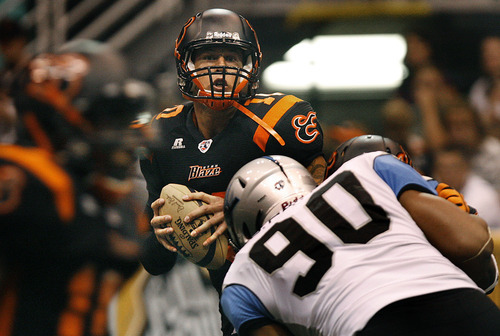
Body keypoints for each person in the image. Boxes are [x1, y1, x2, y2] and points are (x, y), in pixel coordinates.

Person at [137, 8, 325, 336]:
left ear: (249, 65)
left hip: (306, 290)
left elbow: (324, 210)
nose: (221, 69)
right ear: (186, 65)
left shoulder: (281, 122)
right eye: (209, 57)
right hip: (238, 303)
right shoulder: (162, 136)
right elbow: (155, 264)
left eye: (232, 58)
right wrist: (164, 236)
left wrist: (239, 215)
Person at [221, 151, 499, 335]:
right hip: (464, 306)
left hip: (367, 326)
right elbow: (470, 243)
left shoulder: (240, 277)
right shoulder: (368, 165)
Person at [0, 46, 151, 336]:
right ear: (58, 118)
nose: (127, 136)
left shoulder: (123, 202)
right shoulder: (30, 179)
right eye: (110, 120)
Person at [431, 145, 500, 229]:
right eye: (442, 168)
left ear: (466, 167)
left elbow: (462, 229)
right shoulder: (434, 189)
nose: (447, 173)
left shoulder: (484, 196)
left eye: (453, 168)